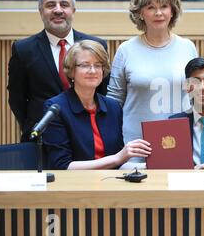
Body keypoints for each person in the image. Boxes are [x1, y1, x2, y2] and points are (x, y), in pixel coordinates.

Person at [107, 0, 197, 167]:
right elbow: (114, 102)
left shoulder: (187, 47)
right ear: (140, 13)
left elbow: (196, 97)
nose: (158, 13)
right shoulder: (125, 50)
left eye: (164, 6)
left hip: (177, 143)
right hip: (135, 146)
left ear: (172, 11)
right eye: (150, 7)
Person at [8, 0, 108, 142]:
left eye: (64, 4)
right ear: (41, 12)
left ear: (73, 11)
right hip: (43, 138)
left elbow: (103, 92)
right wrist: (34, 124)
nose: (58, 10)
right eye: (50, 5)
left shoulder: (97, 45)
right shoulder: (23, 49)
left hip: (88, 136)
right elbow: (17, 98)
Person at [42, 40, 151, 170]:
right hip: (74, 185)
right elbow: (61, 166)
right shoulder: (56, 108)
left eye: (98, 65)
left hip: (111, 183)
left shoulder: (113, 107)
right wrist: (118, 157)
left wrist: (149, 167)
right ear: (71, 71)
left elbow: (117, 164)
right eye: (85, 65)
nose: (93, 70)